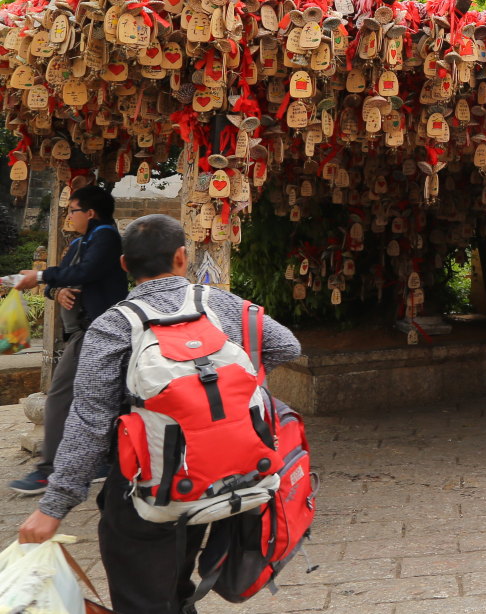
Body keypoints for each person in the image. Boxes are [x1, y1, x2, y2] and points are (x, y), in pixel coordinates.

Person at [16, 214, 301, 614]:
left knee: (143, 600)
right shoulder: (220, 303)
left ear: (123, 265)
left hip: (144, 488)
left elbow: (89, 423)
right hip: (217, 476)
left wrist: (54, 507)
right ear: (182, 257)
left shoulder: (112, 325)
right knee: (178, 588)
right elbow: (287, 345)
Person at [8, 184, 127, 495]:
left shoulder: (106, 237)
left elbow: (83, 273)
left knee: (60, 395)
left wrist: (44, 278)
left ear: (90, 212)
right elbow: (62, 277)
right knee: (97, 398)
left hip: (97, 331)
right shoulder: (80, 243)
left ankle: (51, 470)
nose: (69, 216)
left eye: (73, 211)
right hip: (80, 332)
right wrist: (55, 289)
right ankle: (103, 460)